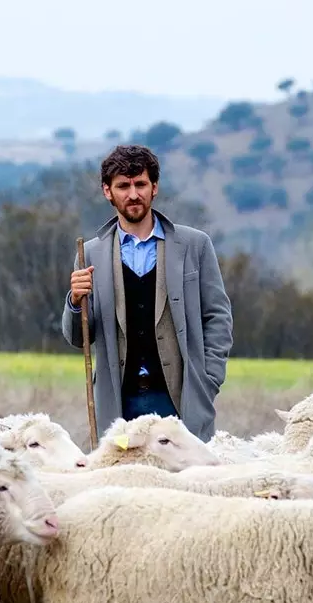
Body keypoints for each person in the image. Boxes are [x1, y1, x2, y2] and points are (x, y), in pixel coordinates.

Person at [61, 144, 233, 443]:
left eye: (140, 184)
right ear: (107, 191)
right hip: (118, 403)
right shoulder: (89, 253)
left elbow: (217, 316)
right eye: (123, 186)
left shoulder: (194, 245)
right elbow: (79, 338)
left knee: (187, 485)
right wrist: (75, 302)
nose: (133, 194)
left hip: (181, 400)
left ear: (154, 187)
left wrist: (208, 380)